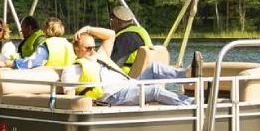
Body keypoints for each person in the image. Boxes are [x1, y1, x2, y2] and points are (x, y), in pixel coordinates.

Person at [61, 25, 191, 106]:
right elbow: (70, 98)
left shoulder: (101, 55)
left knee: (155, 68)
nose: (93, 51)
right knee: (154, 91)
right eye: (88, 48)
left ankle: (189, 74)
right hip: (115, 96)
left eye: (94, 47)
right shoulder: (72, 70)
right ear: (77, 50)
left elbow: (111, 35)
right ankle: (191, 103)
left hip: (130, 84)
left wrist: (88, 29)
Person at [108, 5, 152, 74]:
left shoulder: (125, 37)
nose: (110, 23)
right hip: (143, 74)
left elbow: (114, 64)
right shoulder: (139, 31)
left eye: (111, 20)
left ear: (118, 21)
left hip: (127, 78)